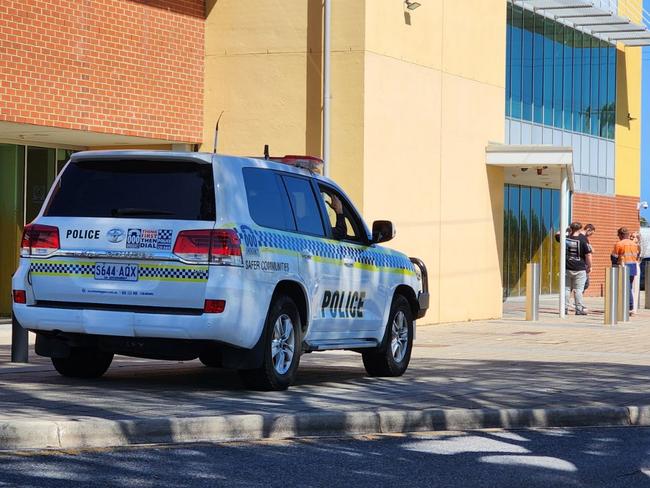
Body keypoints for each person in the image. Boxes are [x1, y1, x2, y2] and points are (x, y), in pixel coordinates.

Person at [564, 222, 592, 315]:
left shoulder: (566, 237)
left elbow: (557, 234)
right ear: (580, 229)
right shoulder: (583, 239)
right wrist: (589, 266)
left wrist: (566, 230)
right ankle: (579, 309)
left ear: (571, 228)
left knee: (566, 289)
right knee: (579, 290)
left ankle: (564, 308)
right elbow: (588, 254)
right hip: (579, 267)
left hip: (567, 267)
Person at [611, 227, 640, 315]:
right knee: (629, 287)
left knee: (623, 287)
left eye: (618, 235)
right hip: (633, 266)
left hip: (623, 266)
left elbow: (614, 257)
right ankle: (630, 306)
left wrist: (614, 265)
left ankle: (627, 306)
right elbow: (637, 255)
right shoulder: (634, 244)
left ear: (621, 234)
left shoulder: (619, 244)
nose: (618, 236)